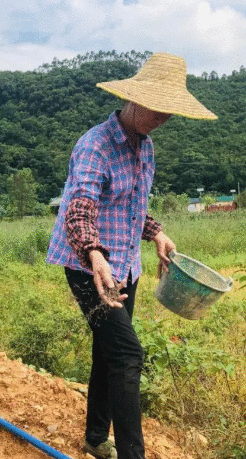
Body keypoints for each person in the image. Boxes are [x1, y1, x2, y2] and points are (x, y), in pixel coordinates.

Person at [46, 52, 217, 459]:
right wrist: (93, 254)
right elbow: (81, 206)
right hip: (87, 266)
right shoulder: (95, 146)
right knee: (127, 354)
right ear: (133, 98)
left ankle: (93, 438)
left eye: (169, 112)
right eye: (156, 107)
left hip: (126, 265)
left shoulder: (147, 148)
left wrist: (156, 232)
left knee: (109, 353)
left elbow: (129, 206)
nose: (161, 117)